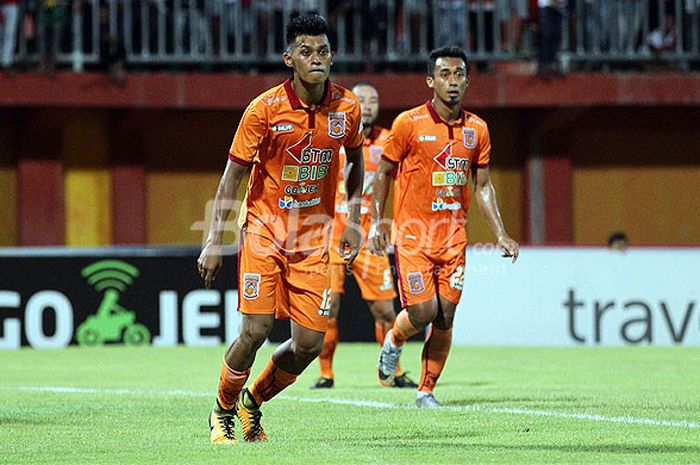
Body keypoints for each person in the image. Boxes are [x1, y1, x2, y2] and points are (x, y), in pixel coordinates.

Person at [198, 14, 365, 444]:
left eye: (324, 51)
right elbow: (231, 178)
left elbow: (356, 160)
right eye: (306, 52)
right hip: (264, 234)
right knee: (253, 332)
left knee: (309, 344)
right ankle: (222, 410)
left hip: (313, 241)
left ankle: (253, 401)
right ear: (288, 58)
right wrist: (213, 242)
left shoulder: (347, 107)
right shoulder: (264, 109)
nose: (317, 59)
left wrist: (356, 217)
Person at [369, 45, 519, 408]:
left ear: (467, 80)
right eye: (445, 74)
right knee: (422, 313)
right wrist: (377, 223)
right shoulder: (408, 123)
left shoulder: (477, 130)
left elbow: (482, 186)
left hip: (453, 238)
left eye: (459, 74)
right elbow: (383, 174)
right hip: (413, 237)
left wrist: (500, 232)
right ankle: (395, 339)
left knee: (446, 316)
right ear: (430, 80)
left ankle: (426, 390)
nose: (452, 82)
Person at [311, 82, 417, 390]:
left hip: (370, 238)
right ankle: (326, 373)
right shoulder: (333, 137)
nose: (368, 105)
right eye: (362, 100)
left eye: (373, 100)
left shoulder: (390, 142)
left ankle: (391, 373)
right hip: (332, 237)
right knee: (328, 307)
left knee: (385, 310)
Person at [1, 0, 19, 72]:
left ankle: (6, 62)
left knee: (10, 34)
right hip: (2, 5)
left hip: (12, 5)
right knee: (2, 34)